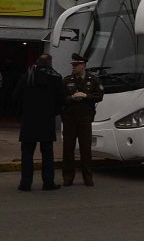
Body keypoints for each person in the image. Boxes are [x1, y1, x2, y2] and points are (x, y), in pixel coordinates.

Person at [14, 54, 63, 191]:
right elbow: (61, 100)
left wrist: (23, 114)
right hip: (46, 120)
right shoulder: (56, 77)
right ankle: (48, 182)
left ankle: (25, 183)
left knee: (27, 153)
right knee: (47, 153)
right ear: (50, 63)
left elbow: (16, 97)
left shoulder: (27, 76)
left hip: (29, 120)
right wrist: (53, 113)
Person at [61, 53, 103, 187]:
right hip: (70, 118)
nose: (73, 67)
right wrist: (71, 98)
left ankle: (88, 177)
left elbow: (99, 96)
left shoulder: (93, 79)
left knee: (86, 149)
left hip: (85, 118)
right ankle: (68, 177)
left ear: (83, 65)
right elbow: (61, 98)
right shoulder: (67, 80)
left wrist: (86, 96)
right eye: (72, 65)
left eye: (76, 65)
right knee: (68, 148)